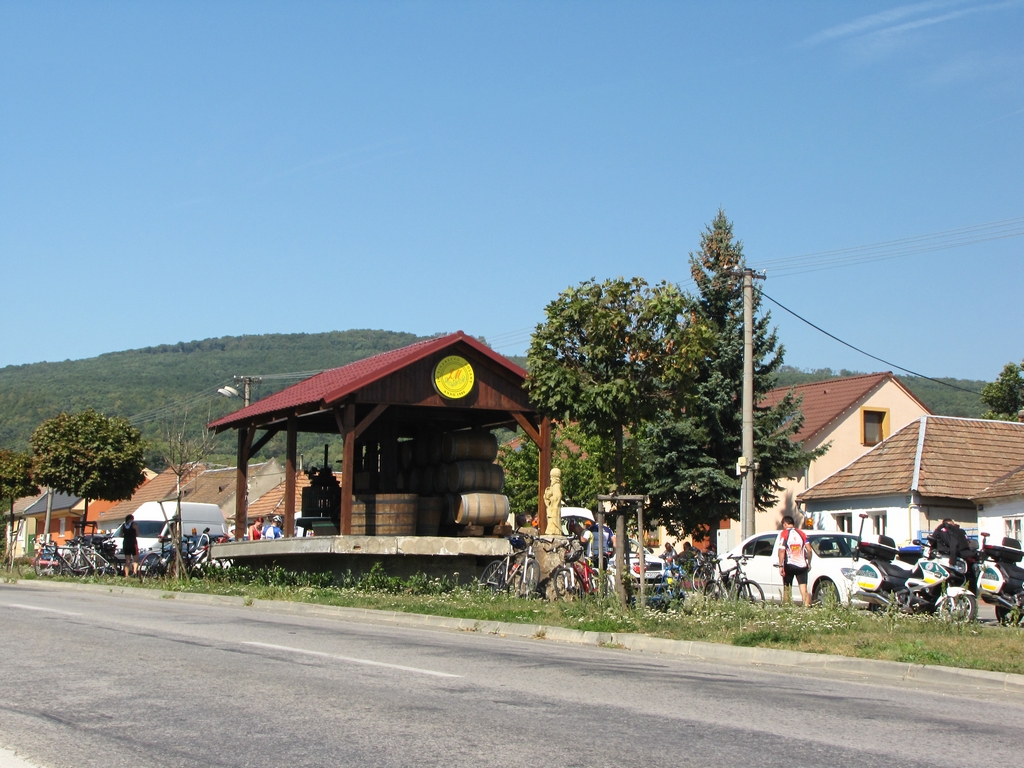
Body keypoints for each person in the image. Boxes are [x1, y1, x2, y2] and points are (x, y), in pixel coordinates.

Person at [776, 515, 812, 606]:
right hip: (802, 565)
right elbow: (809, 550)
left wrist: (780, 565)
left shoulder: (784, 533)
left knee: (787, 589)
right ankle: (807, 608)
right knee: (804, 589)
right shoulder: (801, 533)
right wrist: (809, 563)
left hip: (789, 565)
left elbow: (781, 550)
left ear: (785, 524)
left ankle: (787, 608)